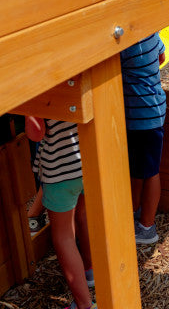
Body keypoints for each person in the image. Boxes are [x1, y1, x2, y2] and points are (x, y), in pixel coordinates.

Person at [25, 117, 96, 309]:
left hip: (59, 171)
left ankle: (84, 305)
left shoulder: (39, 89)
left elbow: (35, 133)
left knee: (63, 237)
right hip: (86, 161)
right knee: (83, 216)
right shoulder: (74, 84)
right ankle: (89, 271)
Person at [120, 32, 167, 244]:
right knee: (144, 170)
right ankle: (139, 216)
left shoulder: (125, 45)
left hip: (141, 116)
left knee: (146, 173)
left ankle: (147, 227)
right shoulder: (151, 35)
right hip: (154, 109)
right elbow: (162, 57)